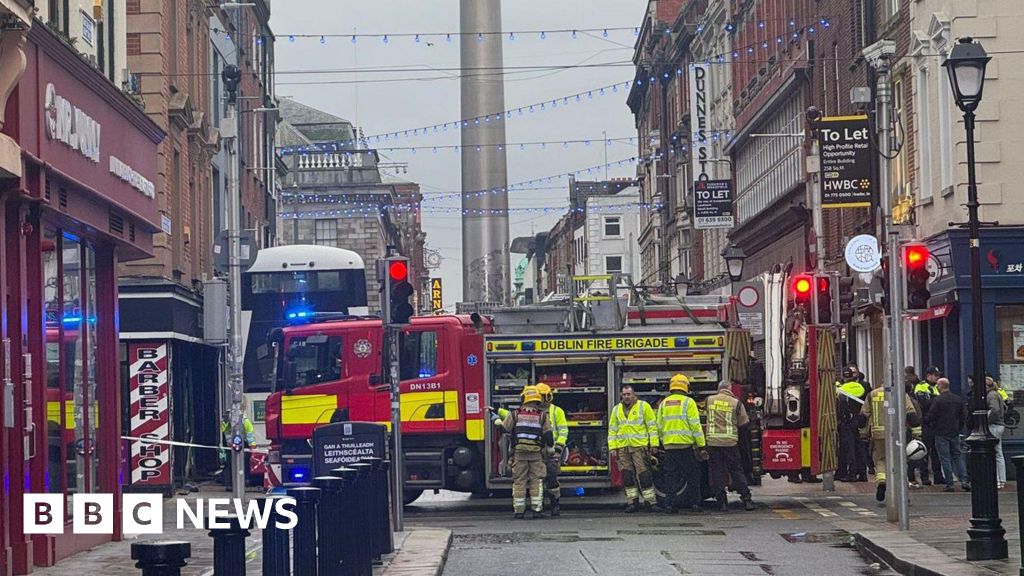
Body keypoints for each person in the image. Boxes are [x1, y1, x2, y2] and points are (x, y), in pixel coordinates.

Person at [499, 385, 554, 519]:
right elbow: (549, 437)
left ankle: (519, 511)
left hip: (519, 455)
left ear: (524, 398)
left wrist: (497, 421)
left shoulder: (515, 414)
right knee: (536, 481)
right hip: (536, 455)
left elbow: (505, 429)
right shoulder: (542, 416)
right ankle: (537, 510)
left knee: (519, 482)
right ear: (537, 400)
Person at [861, 378, 919, 502]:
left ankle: (882, 482)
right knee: (900, 462)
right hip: (898, 434)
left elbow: (864, 415)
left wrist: (863, 433)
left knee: (881, 460)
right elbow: (911, 415)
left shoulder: (873, 394)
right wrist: (916, 433)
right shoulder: (901, 394)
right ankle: (902, 492)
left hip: (879, 434)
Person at [655, 374, 706, 513]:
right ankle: (695, 503)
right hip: (685, 446)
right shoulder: (688, 402)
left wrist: (662, 442)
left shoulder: (664, 403)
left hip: (669, 447)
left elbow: (659, 426)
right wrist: (701, 445)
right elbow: (695, 425)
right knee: (693, 474)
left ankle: (670, 505)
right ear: (685, 386)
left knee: (671, 476)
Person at [705, 381, 755, 511]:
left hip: (713, 442)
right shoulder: (736, 403)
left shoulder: (709, 400)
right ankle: (746, 499)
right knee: (736, 471)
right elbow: (744, 422)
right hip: (730, 442)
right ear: (729, 389)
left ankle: (722, 503)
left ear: (719, 389)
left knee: (717, 472)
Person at [609, 384, 660, 512]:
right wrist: (613, 448)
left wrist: (654, 444)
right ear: (622, 395)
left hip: (639, 447)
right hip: (623, 448)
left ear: (634, 395)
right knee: (627, 476)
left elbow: (652, 427)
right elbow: (612, 430)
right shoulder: (616, 410)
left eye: (628, 394)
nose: (626, 397)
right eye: (624, 394)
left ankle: (651, 503)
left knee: (644, 476)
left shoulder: (643, 407)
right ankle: (632, 502)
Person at [925, 378, 970, 492]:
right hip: (954, 431)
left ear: (940, 386)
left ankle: (950, 483)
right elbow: (963, 416)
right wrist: (958, 427)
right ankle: (964, 480)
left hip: (941, 432)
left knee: (945, 458)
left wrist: (930, 425)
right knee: (957, 456)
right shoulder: (958, 399)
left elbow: (931, 415)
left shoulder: (938, 400)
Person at [535, 383, 568, 516]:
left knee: (552, 479)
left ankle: (555, 505)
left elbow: (563, 431)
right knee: (537, 480)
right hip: (537, 450)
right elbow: (513, 416)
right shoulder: (533, 411)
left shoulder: (557, 411)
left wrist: (558, 449)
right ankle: (539, 506)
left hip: (552, 451)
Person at [912, 367, 945, 486]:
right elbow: (924, 404)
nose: (937, 378)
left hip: (937, 423)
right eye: (935, 375)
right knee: (924, 451)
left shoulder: (938, 387)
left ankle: (938, 476)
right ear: (928, 375)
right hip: (926, 423)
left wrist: (934, 398)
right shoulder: (921, 386)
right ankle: (924, 476)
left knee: (937, 452)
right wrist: (937, 399)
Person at [835, 366, 867, 482]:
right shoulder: (861, 387)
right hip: (859, 419)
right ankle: (862, 473)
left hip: (847, 421)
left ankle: (851, 474)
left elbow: (840, 406)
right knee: (859, 447)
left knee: (849, 448)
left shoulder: (842, 389)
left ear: (844, 376)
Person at [986, 377, 1007, 489]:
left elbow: (995, 410)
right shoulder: (996, 393)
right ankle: (1001, 479)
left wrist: (986, 421)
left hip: (994, 426)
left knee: (995, 452)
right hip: (999, 425)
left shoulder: (992, 395)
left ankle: (998, 479)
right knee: (998, 452)